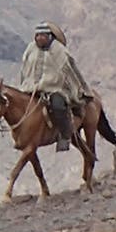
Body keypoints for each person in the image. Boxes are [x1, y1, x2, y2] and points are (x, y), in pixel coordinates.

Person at [17, 21, 92, 151]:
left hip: (55, 88)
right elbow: (25, 68)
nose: (40, 38)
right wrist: (27, 83)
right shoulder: (31, 49)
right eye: (38, 35)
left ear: (49, 36)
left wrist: (78, 89)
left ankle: (65, 135)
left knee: (58, 106)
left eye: (43, 35)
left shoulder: (59, 51)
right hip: (32, 88)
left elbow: (70, 72)